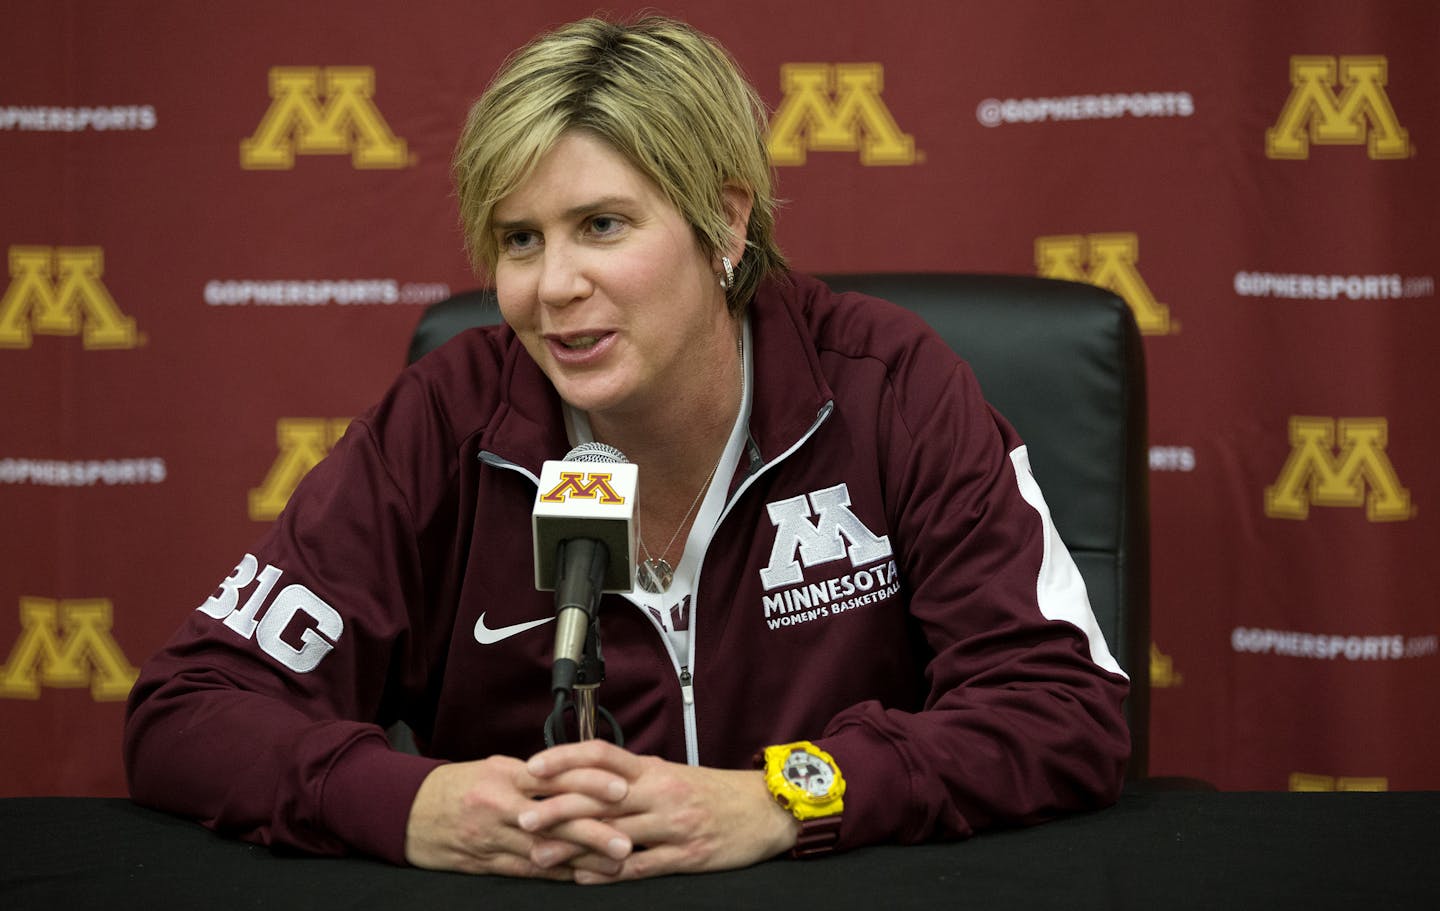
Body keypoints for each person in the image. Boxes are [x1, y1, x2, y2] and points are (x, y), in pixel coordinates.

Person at [124, 15, 1130, 883]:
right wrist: (413, 801)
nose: (551, 287)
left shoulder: (888, 386)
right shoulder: (446, 418)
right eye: (520, 240)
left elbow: (1063, 708)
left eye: (600, 225)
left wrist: (781, 798)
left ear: (723, 220)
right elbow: (190, 708)